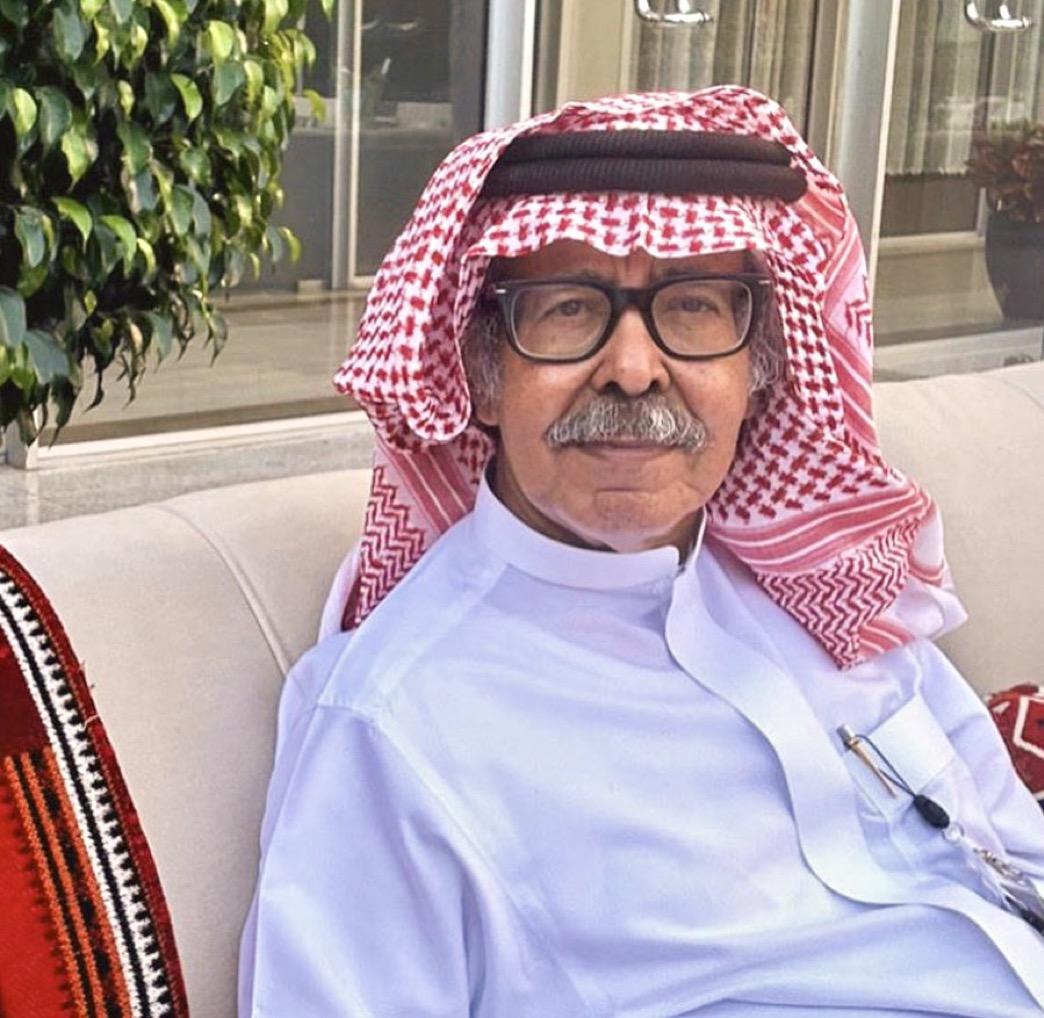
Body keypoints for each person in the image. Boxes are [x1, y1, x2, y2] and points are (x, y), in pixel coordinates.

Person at [238, 86, 1044, 1016]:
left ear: (758, 373)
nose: (631, 368)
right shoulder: (389, 729)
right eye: (567, 309)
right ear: (483, 377)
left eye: (693, 307)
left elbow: (1012, 850)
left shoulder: (829, 598)